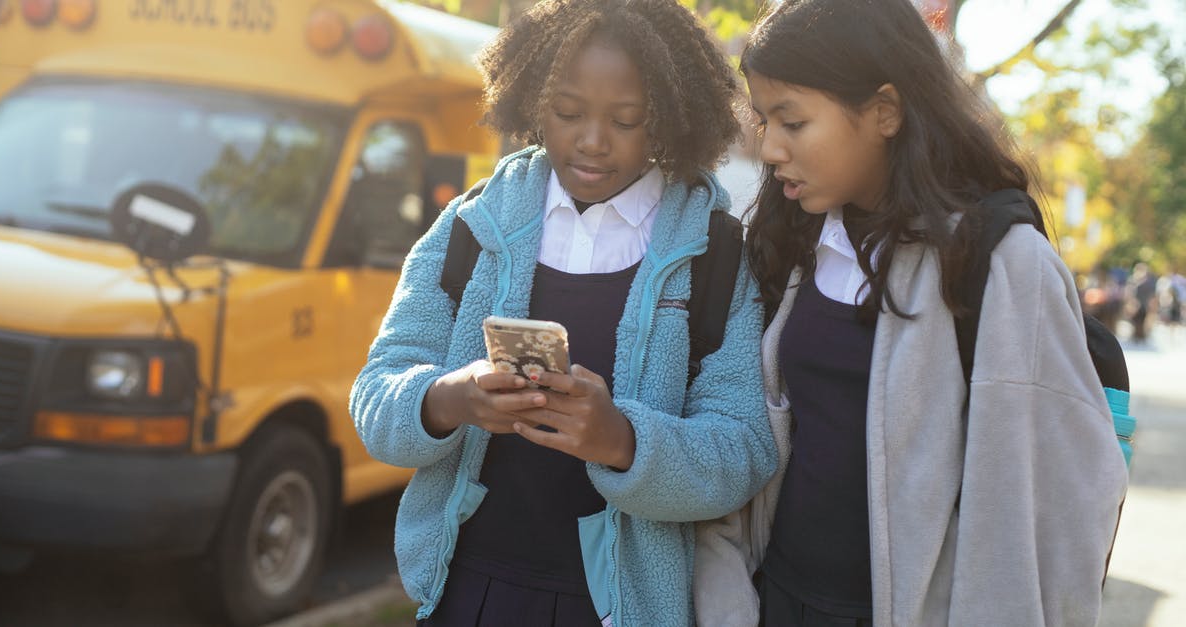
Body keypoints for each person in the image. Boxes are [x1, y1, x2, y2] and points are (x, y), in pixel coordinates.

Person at [693, 1, 1129, 625]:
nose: (769, 148)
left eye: (792, 122)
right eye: (763, 121)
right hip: (779, 601)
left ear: (885, 111)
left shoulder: (1000, 264)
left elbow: (1044, 523)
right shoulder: (790, 247)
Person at [349, 1, 777, 625]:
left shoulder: (714, 254)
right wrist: (448, 399)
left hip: (623, 609)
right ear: (531, 102)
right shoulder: (472, 226)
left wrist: (622, 441)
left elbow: (743, 452)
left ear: (667, 120)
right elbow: (374, 396)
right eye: (568, 113)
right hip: (469, 591)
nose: (592, 141)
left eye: (627, 120)